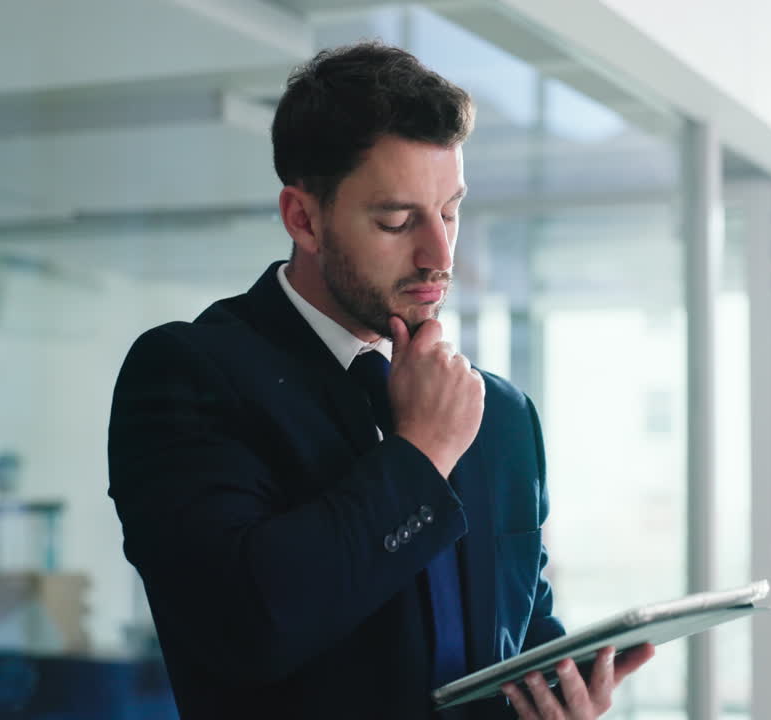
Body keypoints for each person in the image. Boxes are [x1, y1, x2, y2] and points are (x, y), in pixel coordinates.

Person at [107, 42, 654, 720]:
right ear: (303, 218)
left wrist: (561, 697)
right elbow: (243, 626)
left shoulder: (502, 413)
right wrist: (422, 455)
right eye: (398, 221)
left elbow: (523, 629)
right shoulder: (191, 374)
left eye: (450, 211)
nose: (441, 255)